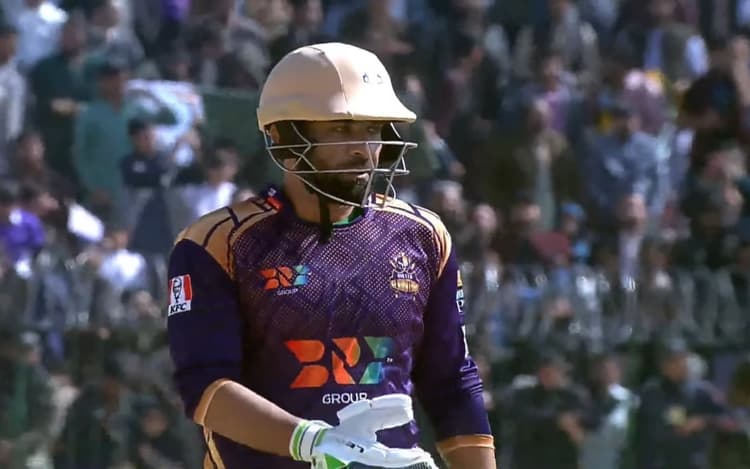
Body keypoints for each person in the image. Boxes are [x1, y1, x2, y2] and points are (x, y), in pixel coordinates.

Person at [166, 42, 496, 469]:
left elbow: (451, 381)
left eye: (372, 130)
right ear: (285, 136)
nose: (363, 149)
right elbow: (205, 387)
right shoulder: (216, 242)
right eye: (341, 130)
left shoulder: (424, 235)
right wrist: (313, 442)